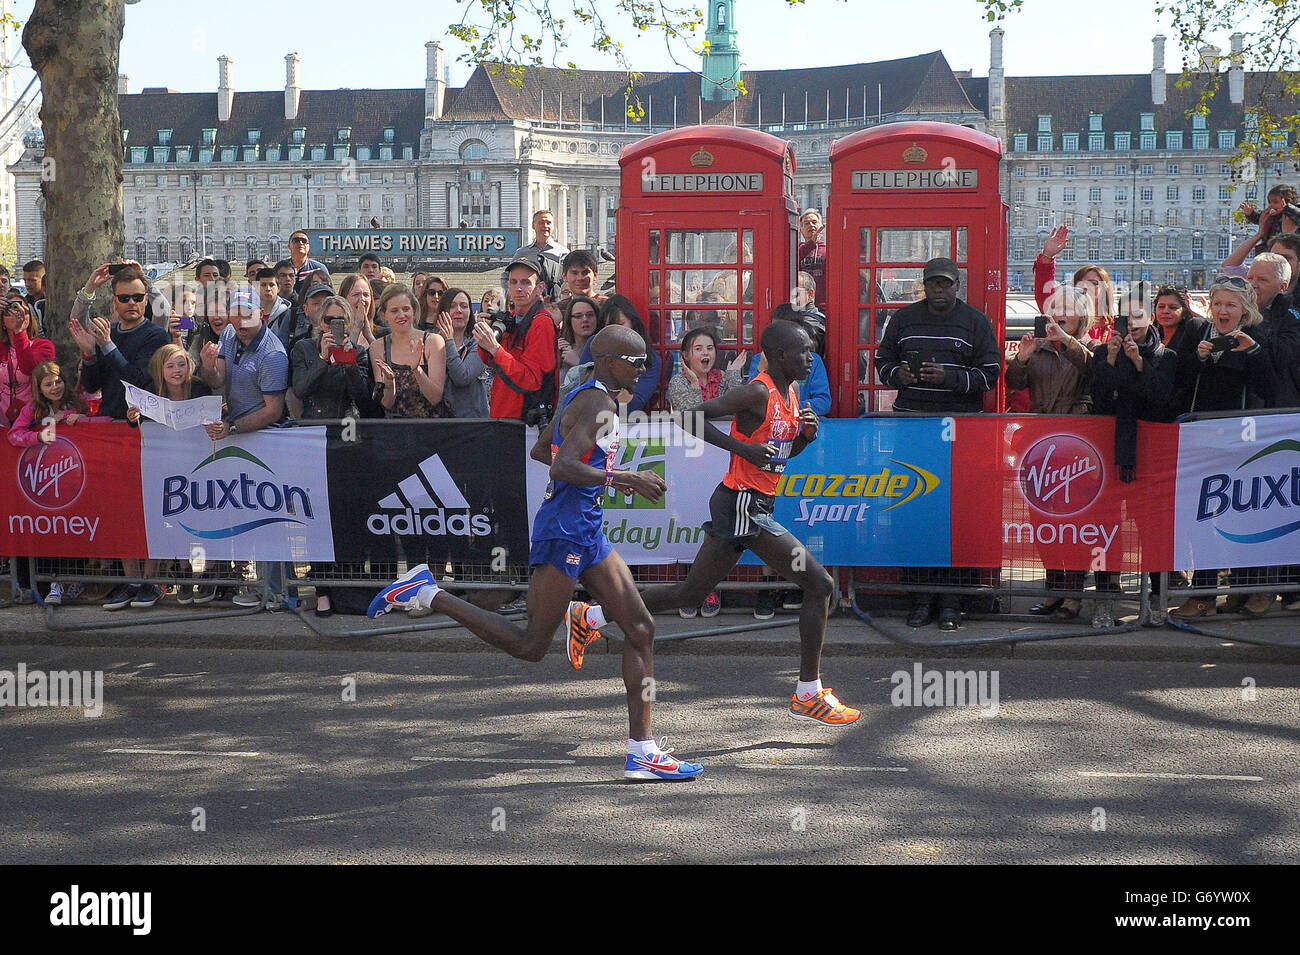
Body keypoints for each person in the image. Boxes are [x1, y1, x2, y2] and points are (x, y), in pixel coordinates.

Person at [367, 325, 702, 781]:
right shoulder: (599, 403)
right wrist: (625, 478)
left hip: (586, 530)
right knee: (531, 646)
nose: (643, 371)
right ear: (607, 361)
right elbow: (562, 464)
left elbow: (544, 450)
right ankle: (428, 592)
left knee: (641, 626)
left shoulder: (583, 393)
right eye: (635, 361)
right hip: (564, 532)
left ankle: (641, 752)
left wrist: (604, 471)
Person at [569, 320, 860, 726]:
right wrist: (742, 448)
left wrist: (804, 440)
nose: (811, 358)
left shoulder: (790, 394)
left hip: (748, 504)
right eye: (804, 351)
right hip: (742, 506)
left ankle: (592, 616)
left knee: (691, 592)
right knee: (821, 584)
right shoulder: (756, 391)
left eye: (812, 351)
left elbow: (775, 456)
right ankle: (808, 693)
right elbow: (689, 419)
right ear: (778, 356)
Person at [876, 257, 1001, 631]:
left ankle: (952, 600)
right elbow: (881, 362)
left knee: (957, 517)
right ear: (924, 285)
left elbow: (991, 373)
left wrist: (949, 377)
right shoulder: (902, 319)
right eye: (933, 284)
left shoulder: (975, 322)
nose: (939, 290)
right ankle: (920, 598)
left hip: (961, 435)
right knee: (913, 515)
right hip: (911, 429)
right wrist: (900, 373)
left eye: (945, 284)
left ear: (957, 285)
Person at [1172, 278, 1278, 620]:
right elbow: (1180, 381)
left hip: (1241, 444)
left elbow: (1269, 388)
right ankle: (1203, 596)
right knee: (1203, 520)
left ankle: (1236, 592)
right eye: (1218, 304)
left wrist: (1253, 353)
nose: (1222, 311)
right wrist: (1198, 359)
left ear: (1244, 309)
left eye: (1230, 305)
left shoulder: (1257, 338)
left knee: (1240, 522)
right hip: (1201, 441)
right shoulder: (1199, 332)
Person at [1004, 286, 1097, 620]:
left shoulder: (1091, 346)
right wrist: (1023, 356)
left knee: (1074, 520)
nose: (1060, 314)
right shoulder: (1040, 349)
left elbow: (1091, 369)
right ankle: (1053, 589)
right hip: (1041, 443)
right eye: (1055, 307)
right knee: (1042, 519)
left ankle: (1073, 594)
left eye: (1068, 308)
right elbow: (1013, 382)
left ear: (1081, 314)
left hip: (1078, 442)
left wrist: (1066, 341)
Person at [199, 286, 292, 609]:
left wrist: (234, 427)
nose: (240, 321)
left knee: (270, 518)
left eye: (247, 314)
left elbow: (273, 410)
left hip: (264, 438)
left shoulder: (273, 354)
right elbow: (217, 380)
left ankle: (279, 591)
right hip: (236, 435)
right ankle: (262, 586)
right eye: (236, 313)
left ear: (261, 315)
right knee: (248, 514)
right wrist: (208, 366)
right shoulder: (228, 334)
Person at [7, 360, 109, 606]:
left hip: (77, 478)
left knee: (78, 532)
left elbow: (102, 424)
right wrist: (37, 436)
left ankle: (75, 580)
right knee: (52, 532)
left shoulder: (76, 402)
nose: (55, 387)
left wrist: (80, 419)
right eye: (48, 384)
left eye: (58, 381)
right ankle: (52, 584)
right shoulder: (33, 409)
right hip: (45, 481)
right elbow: (14, 434)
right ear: (39, 388)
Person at [665, 325, 748, 619]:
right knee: (689, 521)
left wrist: (735, 374)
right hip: (686, 465)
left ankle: (710, 587)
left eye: (710, 348)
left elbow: (738, 406)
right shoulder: (678, 382)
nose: (705, 354)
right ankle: (691, 588)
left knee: (715, 527)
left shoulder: (722, 378)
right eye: (698, 349)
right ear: (686, 354)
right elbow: (692, 413)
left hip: (720, 462)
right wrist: (696, 389)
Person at [125, 345, 215, 604]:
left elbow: (211, 417)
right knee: (175, 520)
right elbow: (137, 423)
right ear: (160, 370)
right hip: (166, 469)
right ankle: (183, 571)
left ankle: (209, 572)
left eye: (182, 364)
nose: (177, 371)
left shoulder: (199, 388)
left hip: (199, 464)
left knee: (205, 517)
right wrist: (132, 417)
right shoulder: (151, 394)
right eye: (171, 366)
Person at [67, 263, 171, 421]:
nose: (131, 302)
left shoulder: (157, 335)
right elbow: (92, 386)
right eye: (124, 298)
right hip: (109, 422)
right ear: (114, 301)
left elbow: (137, 381)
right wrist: (90, 355)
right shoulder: (109, 332)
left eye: (138, 297)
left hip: (145, 426)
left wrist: (107, 345)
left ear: (146, 300)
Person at [478, 256, 558, 423]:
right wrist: (484, 337)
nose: (519, 288)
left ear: (539, 288)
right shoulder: (512, 318)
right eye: (514, 282)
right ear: (508, 286)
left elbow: (531, 381)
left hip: (525, 421)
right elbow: (488, 361)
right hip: (503, 416)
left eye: (526, 282)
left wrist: (494, 348)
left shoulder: (541, 322)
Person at [370, 284, 449, 418]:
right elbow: (386, 405)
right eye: (394, 311)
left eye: (406, 309)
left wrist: (417, 370)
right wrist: (389, 385)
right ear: (384, 314)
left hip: (431, 428)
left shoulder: (433, 342)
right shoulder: (378, 347)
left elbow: (436, 398)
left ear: (414, 311)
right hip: (395, 430)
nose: (402, 315)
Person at [578, 295, 660, 413]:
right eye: (608, 326)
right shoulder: (595, 343)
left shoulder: (651, 358)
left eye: (620, 324)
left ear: (633, 322)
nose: (614, 331)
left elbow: (634, 405)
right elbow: (582, 387)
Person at [1034, 225, 1116, 342]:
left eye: (1093, 283)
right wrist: (1047, 256)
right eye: (1079, 283)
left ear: (1105, 288)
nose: (1085, 287)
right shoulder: (1065, 318)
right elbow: (1044, 293)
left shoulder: (1116, 327)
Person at [1244, 252, 1300, 409]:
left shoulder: (1293, 318)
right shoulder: (1237, 313)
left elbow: (1281, 356)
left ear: (1282, 287)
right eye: (1250, 278)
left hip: (1277, 412)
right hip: (1235, 409)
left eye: (1262, 280)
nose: (1253, 284)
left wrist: (1251, 323)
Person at [1153, 284, 1211, 417]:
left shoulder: (1193, 333)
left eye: (1173, 307)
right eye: (1161, 307)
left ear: (1184, 311)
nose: (1165, 311)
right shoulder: (1151, 335)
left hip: (1182, 408)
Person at [434, 287, 491, 419]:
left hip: (473, 423)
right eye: (452, 306)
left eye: (464, 306)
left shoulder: (479, 342)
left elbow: (462, 377)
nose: (459, 310)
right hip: (440, 422)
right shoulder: (431, 342)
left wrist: (448, 340)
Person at [1, 298, 54, 427]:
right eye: (11, 310)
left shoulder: (44, 346)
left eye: (23, 310)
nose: (18, 314)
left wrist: (19, 332)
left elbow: (29, 368)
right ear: (2, 321)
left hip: (33, 422)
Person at [503, 210, 568, 299]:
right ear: (533, 225)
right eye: (541, 223)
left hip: (554, 302)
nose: (545, 226)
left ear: (553, 226)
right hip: (528, 303)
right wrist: (512, 294)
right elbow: (506, 276)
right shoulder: (522, 253)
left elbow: (568, 279)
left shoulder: (563, 253)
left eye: (548, 223)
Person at [1238, 184, 1300, 257]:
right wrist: (1251, 214)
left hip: (1291, 249)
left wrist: (1287, 208)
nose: (1271, 205)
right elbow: (1260, 218)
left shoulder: (1294, 211)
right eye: (1270, 202)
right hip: (1272, 247)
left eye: (1275, 202)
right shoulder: (1273, 214)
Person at [558, 294, 603, 372]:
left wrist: (579, 364)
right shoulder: (564, 350)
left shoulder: (605, 351)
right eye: (578, 316)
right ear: (570, 321)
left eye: (590, 315)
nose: (585, 319)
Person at [797, 209, 829, 313]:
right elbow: (790, 262)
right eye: (806, 223)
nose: (811, 225)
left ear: (821, 226)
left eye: (814, 222)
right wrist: (811, 243)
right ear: (801, 229)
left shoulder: (829, 249)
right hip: (801, 304)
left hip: (825, 305)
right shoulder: (798, 249)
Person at [338, 273, 381, 341]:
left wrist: (369, 336)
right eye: (356, 294)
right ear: (343, 299)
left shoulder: (384, 335)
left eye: (366, 295)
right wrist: (356, 328)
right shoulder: (336, 337)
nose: (362, 299)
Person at [287, 229, 329, 296]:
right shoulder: (282, 267)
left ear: (309, 247)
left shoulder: (319, 269)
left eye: (304, 241)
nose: (300, 243)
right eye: (296, 240)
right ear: (289, 246)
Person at [22, 259, 46, 332]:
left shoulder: (50, 303)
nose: (27, 284)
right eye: (25, 280)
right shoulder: (24, 302)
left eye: (32, 280)